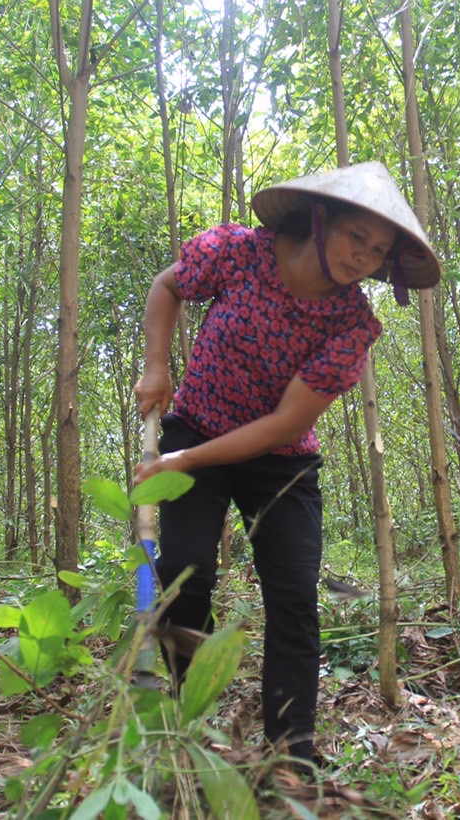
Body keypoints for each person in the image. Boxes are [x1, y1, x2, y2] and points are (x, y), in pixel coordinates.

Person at [132, 162, 439, 767]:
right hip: (196, 423)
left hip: (280, 462)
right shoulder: (239, 252)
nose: (364, 258)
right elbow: (168, 286)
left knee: (295, 594)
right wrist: (157, 364)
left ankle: (292, 750)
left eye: (378, 251)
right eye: (357, 238)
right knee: (185, 568)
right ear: (320, 220)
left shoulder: (351, 324)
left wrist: (184, 459)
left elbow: (286, 424)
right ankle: (189, 716)